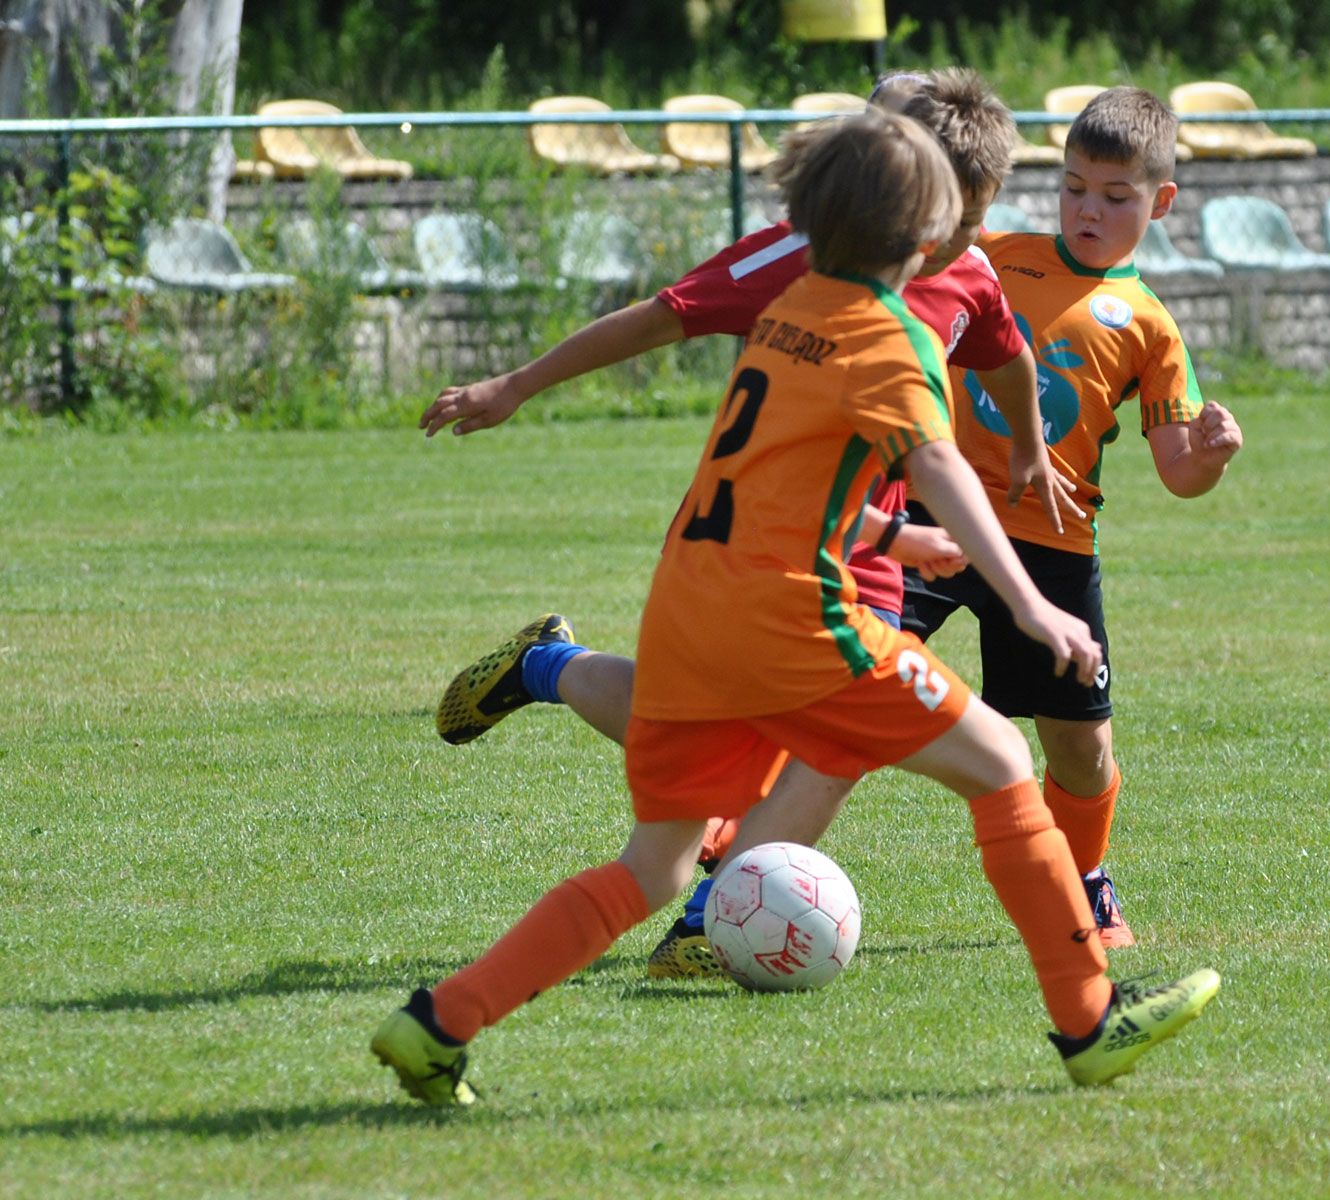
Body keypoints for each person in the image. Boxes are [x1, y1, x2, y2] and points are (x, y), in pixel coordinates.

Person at [371, 109, 1220, 1106]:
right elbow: (939, 465)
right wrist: (1033, 607)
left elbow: (782, 474)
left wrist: (895, 541)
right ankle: (1087, 1021)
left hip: (689, 608)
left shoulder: (791, 312)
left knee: (653, 867)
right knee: (998, 760)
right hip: (792, 618)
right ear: (929, 229)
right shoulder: (892, 336)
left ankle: (438, 1024)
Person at [424, 70, 1084, 978]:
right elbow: (659, 320)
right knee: (771, 726)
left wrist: (1026, 450)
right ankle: (699, 899)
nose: (968, 236)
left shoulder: (966, 269)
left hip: (867, 545)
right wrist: (515, 386)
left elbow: (1004, 349)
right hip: (755, 541)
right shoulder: (791, 259)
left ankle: (570, 704)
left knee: (797, 735)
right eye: (962, 216)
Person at [895, 85, 1245, 950]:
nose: (1090, 209)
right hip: (934, 518)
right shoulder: (995, 255)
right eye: (1075, 187)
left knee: (1081, 749)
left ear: (1160, 203)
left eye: (1116, 197)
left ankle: (1085, 882)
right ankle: (732, 842)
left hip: (1052, 545)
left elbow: (1177, 475)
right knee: (834, 672)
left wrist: (1209, 455)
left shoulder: (1153, 328)